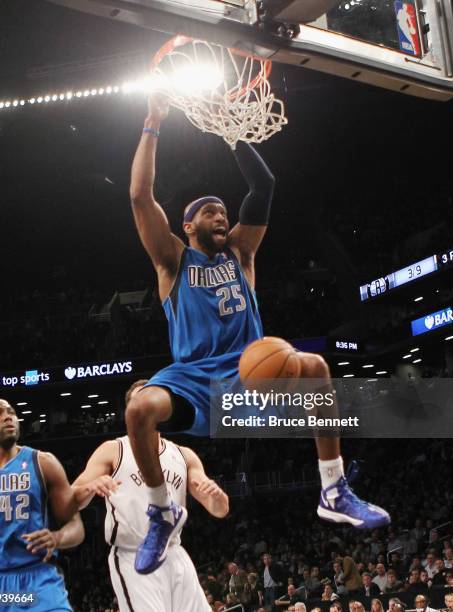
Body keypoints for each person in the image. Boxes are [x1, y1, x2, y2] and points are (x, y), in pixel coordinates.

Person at [127, 93, 390, 573]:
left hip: (249, 372)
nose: (221, 215)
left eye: (224, 210)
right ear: (187, 225)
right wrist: (153, 122)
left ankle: (333, 488)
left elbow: (263, 184)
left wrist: (230, 129)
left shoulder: (242, 255)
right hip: (193, 377)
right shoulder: (173, 260)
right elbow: (140, 197)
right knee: (139, 407)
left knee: (314, 366)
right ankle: (163, 510)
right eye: (209, 212)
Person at [71, 380, 229, 612]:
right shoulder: (113, 449)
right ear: (129, 413)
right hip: (133, 556)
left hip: (175, 553)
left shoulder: (184, 455)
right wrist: (92, 485)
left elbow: (220, 509)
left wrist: (216, 495)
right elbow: (71, 498)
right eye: (139, 401)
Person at [0, 398, 84, 611]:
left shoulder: (44, 463)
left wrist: (57, 537)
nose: (8, 416)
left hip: (37, 579)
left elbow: (76, 527)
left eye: (11, 412)